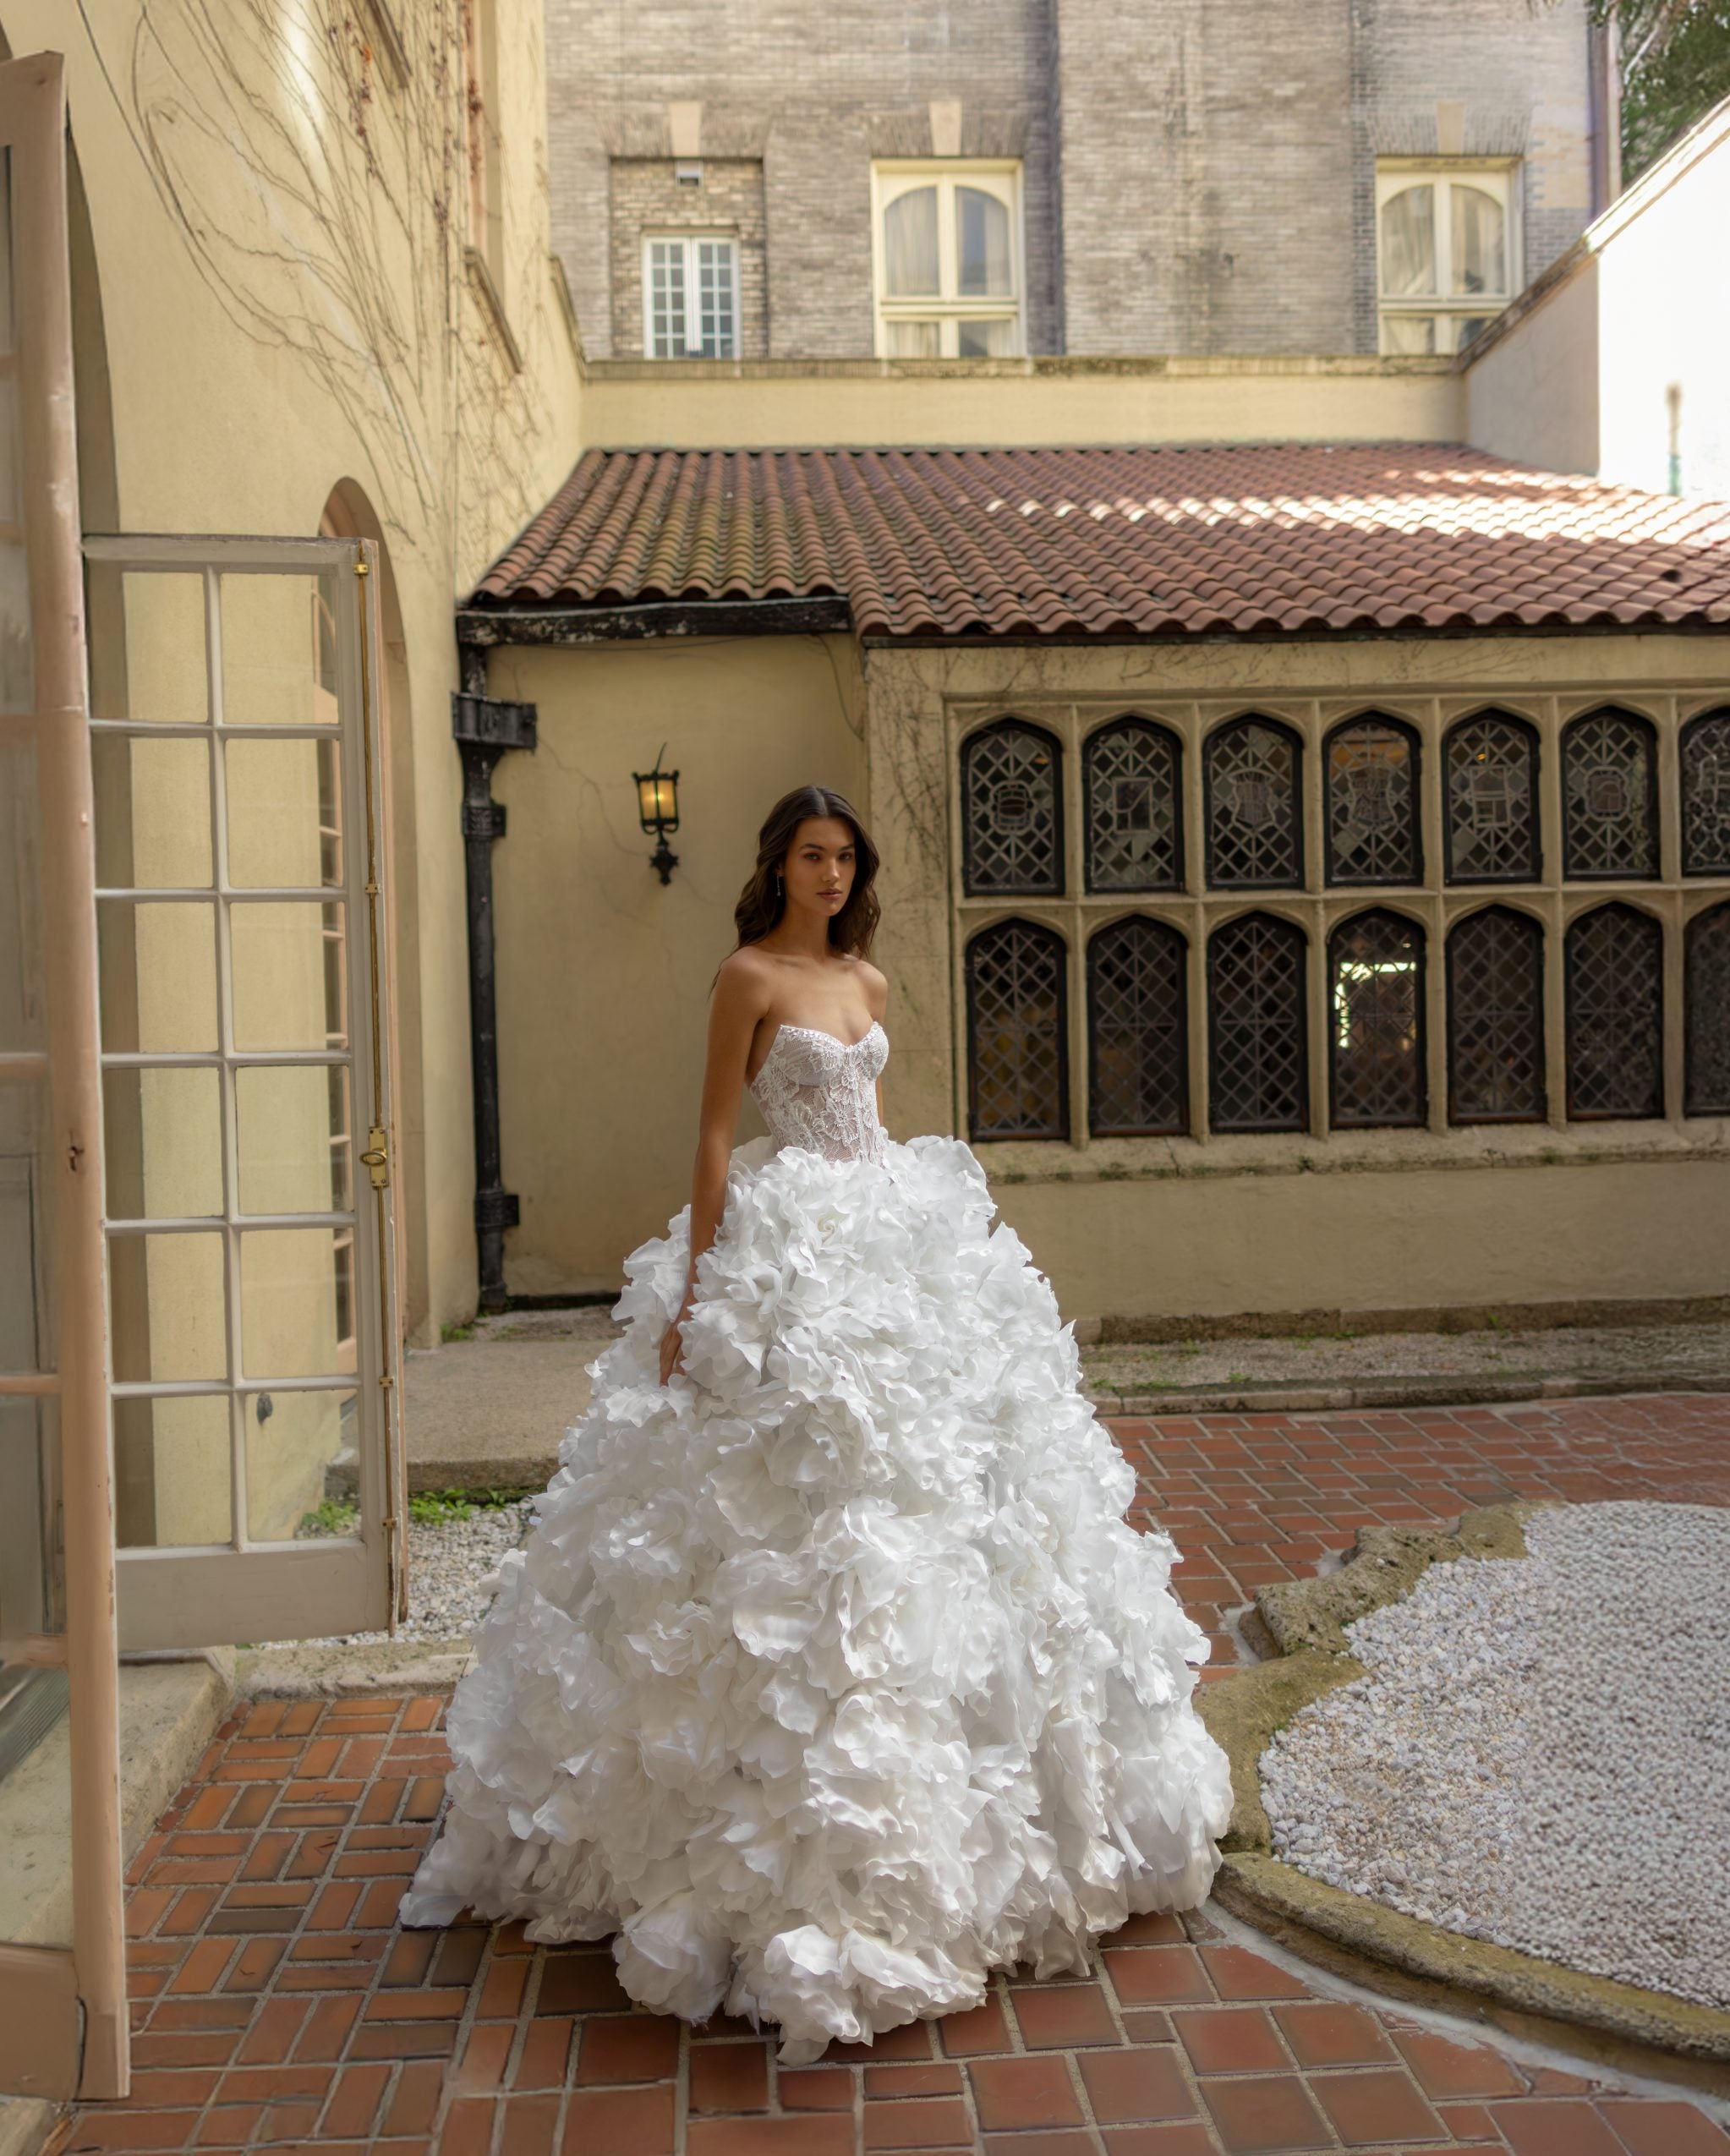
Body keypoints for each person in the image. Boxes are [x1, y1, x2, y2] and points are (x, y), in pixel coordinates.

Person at [400, 783, 1232, 2063]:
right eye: (810, 853)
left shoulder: (871, 984)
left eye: (844, 856)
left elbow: (871, 1121)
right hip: (788, 1249)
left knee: (949, 1487)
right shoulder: (744, 976)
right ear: (776, 864)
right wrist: (696, 1290)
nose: (829, 872)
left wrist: (908, 1225)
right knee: (797, 1493)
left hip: (887, 1228)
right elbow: (717, 1134)